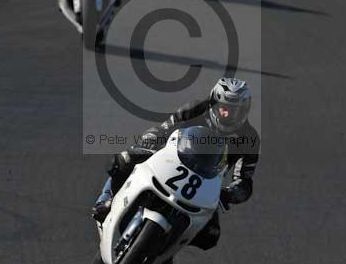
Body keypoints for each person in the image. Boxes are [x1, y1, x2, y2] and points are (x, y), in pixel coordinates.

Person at [92, 78, 260, 251]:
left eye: (236, 111)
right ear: (213, 103)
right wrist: (150, 140)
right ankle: (106, 199)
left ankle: (168, 247)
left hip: (207, 182)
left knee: (210, 236)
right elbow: (165, 127)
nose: (228, 115)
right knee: (124, 160)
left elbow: (244, 180)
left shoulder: (249, 138)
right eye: (224, 108)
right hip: (172, 158)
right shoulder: (196, 109)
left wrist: (230, 194)